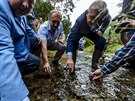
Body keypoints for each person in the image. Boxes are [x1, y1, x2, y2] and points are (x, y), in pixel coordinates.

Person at [0, 0, 38, 101]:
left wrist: (35, 35)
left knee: (35, 62)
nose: (25, 4)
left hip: (19, 50)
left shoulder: (21, 13)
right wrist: (17, 96)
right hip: (9, 53)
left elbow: (25, 27)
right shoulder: (1, 9)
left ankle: (17, 74)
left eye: (31, 2)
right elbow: (2, 50)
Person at [66, 0, 111, 72]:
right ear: (87, 11)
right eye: (90, 16)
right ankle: (72, 64)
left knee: (102, 40)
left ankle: (95, 64)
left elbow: (105, 25)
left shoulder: (106, 17)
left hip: (92, 31)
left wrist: (100, 31)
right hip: (80, 31)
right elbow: (70, 40)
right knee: (74, 42)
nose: (91, 21)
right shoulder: (80, 21)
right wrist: (69, 58)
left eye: (95, 19)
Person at [37, 10, 66, 74]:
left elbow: (61, 33)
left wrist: (59, 39)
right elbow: (43, 46)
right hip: (41, 44)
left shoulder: (60, 25)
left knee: (62, 47)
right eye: (53, 22)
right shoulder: (43, 28)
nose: (56, 25)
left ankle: (55, 62)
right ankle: (37, 62)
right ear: (49, 20)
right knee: (36, 60)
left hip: (51, 43)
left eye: (58, 22)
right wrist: (46, 62)